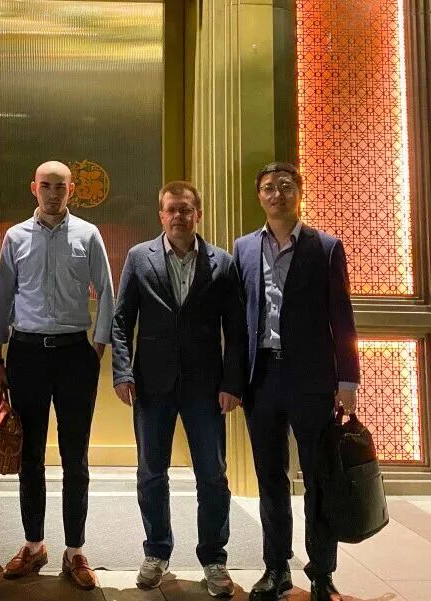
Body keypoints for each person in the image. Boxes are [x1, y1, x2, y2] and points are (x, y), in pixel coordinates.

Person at [111, 181, 246, 597]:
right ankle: (156, 551)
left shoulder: (222, 263)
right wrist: (122, 372)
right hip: (151, 385)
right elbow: (121, 319)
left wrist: (232, 383)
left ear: (198, 214)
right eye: (171, 210)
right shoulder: (139, 257)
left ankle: (214, 558)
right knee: (152, 472)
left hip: (206, 387)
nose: (178, 216)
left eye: (186, 209)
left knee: (213, 475)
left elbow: (236, 330)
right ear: (161, 215)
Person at [233, 162, 360, 601]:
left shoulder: (325, 247)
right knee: (270, 478)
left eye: (285, 186)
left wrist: (348, 379)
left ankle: (322, 572)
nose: (277, 194)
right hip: (262, 378)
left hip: (312, 380)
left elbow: (342, 316)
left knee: (318, 478)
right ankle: (276, 569)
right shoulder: (243, 248)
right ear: (259, 196)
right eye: (268, 187)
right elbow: (239, 321)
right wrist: (234, 379)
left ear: (299, 192)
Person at [0, 160, 115, 591]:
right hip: (26, 354)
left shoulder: (88, 234)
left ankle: (75, 550)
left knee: (75, 457)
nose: (53, 192)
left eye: (60, 186)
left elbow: (107, 291)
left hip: (74, 354)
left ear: (71, 190)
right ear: (34, 188)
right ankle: (34, 544)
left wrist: (96, 348)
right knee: (30, 456)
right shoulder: (15, 237)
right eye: (46, 185)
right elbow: (3, 296)